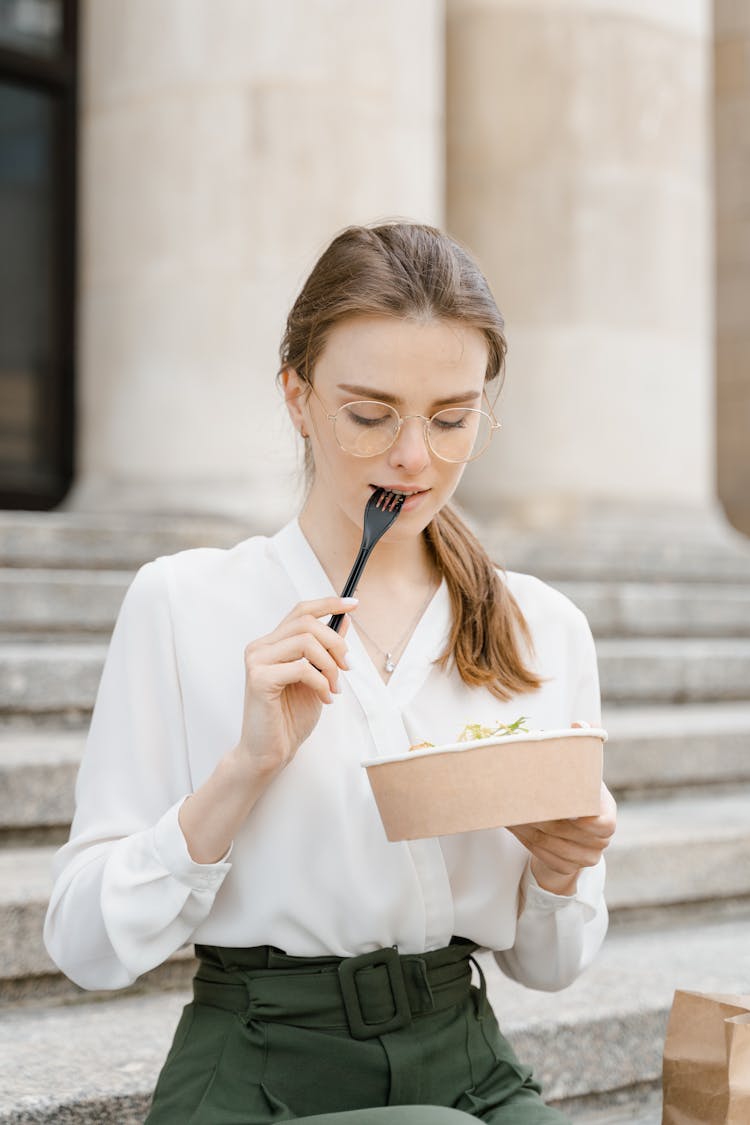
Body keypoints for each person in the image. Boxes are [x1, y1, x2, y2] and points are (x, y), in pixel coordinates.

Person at [43, 221, 617, 1124]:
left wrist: (560, 870)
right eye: (369, 413)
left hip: (467, 1061)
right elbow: (83, 944)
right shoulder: (184, 604)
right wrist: (243, 770)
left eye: (453, 418)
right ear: (297, 397)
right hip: (257, 1068)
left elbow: (552, 967)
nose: (414, 459)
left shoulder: (541, 628)